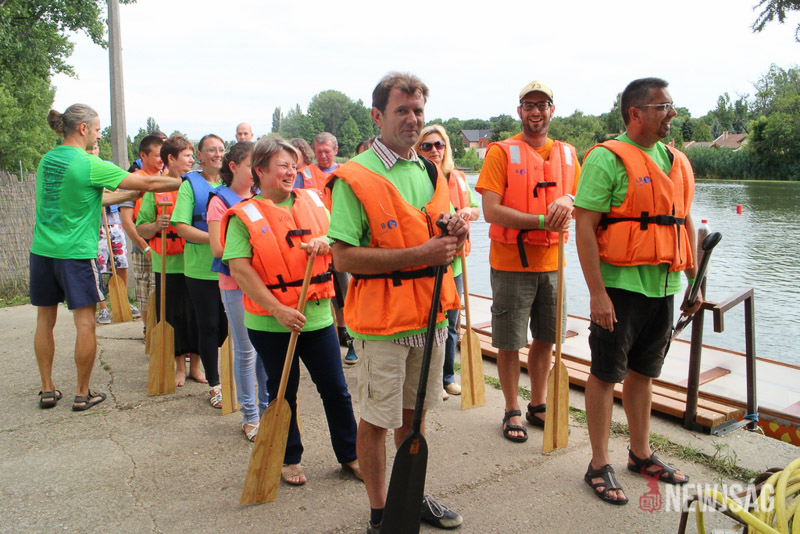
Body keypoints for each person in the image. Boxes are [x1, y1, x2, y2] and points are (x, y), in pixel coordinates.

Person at [329, 72, 467, 533]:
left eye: (418, 111)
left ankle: (410, 496)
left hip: (429, 318)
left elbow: (436, 234)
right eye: (401, 110)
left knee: (414, 420)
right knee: (376, 420)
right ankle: (380, 512)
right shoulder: (355, 176)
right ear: (378, 115)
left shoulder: (429, 169)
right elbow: (343, 257)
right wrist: (420, 254)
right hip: (382, 324)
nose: (412, 119)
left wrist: (454, 231)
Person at [575, 77, 698, 505]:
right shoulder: (606, 158)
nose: (671, 114)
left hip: (664, 287)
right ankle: (598, 463)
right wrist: (597, 294)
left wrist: (694, 280)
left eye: (671, 105)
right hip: (619, 288)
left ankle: (640, 454)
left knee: (644, 373)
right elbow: (585, 227)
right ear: (636, 113)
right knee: (606, 373)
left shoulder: (675, 160)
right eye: (663, 106)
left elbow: (683, 221)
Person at [223, 137, 360, 485]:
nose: (290, 172)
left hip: (317, 317)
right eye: (282, 165)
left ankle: (350, 454)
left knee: (336, 389)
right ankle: (289, 457)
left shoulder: (313, 200)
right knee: (283, 392)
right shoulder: (244, 215)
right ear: (260, 170)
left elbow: (341, 237)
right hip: (270, 323)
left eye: (293, 165)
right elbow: (240, 269)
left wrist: (326, 241)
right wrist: (277, 309)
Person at [31, 104, 180, 411]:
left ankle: (46, 389)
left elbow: (91, 196)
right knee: (86, 323)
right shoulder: (88, 163)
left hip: (42, 251)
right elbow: (149, 182)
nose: (99, 135)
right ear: (83, 128)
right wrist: (189, 182)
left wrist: (129, 196)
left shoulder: (48, 161)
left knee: (44, 321)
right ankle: (82, 393)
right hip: (75, 254)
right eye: (98, 130)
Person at [475, 80, 580, 444]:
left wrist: (568, 199)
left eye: (543, 105)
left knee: (546, 339)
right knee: (509, 341)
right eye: (529, 105)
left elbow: (583, 198)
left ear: (552, 110)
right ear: (519, 111)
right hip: (511, 263)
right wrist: (540, 221)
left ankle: (538, 404)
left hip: (554, 263)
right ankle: (511, 408)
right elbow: (490, 210)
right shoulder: (501, 153)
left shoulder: (569, 154)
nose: (536, 111)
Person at [207, 141, 269, 441]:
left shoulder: (261, 198)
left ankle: (268, 411)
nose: (256, 171)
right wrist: (256, 251)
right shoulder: (219, 201)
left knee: (265, 351)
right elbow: (218, 248)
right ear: (233, 167)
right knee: (246, 351)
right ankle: (250, 416)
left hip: (262, 284)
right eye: (250, 166)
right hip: (234, 285)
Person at [414, 125, 480, 400]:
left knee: (452, 324)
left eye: (439, 145)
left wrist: (467, 212)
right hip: (428, 263)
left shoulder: (458, 177)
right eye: (427, 145)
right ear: (418, 149)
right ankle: (429, 380)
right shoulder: (417, 177)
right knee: (430, 322)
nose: (434, 150)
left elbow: (476, 209)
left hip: (455, 263)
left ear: (446, 148)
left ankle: (447, 377)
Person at [136, 134, 204, 387]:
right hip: (167, 265)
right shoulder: (156, 189)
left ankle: (196, 366)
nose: (191, 160)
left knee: (197, 315)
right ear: (171, 159)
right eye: (186, 156)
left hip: (195, 262)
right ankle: (179, 367)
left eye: (192, 155)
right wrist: (156, 225)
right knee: (173, 316)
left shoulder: (197, 186)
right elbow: (140, 228)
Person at [172, 134, 229, 407]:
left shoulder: (233, 184)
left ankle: (233, 379)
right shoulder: (189, 186)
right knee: (209, 327)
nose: (217, 154)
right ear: (200, 155)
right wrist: (216, 240)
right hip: (200, 271)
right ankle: (215, 385)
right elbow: (182, 227)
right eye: (211, 150)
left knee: (228, 329)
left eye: (221, 149)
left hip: (231, 270)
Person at [119, 134, 165, 337]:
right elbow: (127, 221)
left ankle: (163, 332)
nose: (162, 160)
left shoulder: (168, 179)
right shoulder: (133, 181)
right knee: (146, 292)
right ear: (143, 156)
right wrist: (145, 247)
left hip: (166, 246)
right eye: (157, 155)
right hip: (143, 246)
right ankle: (150, 333)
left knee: (162, 292)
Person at [90, 141, 138, 325]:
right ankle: (102, 307)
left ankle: (122, 301)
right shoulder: (84, 170)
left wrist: (107, 190)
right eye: (90, 149)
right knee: (99, 266)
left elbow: (118, 186)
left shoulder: (107, 167)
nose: (93, 151)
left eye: (95, 147)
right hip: (95, 222)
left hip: (114, 220)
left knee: (121, 262)